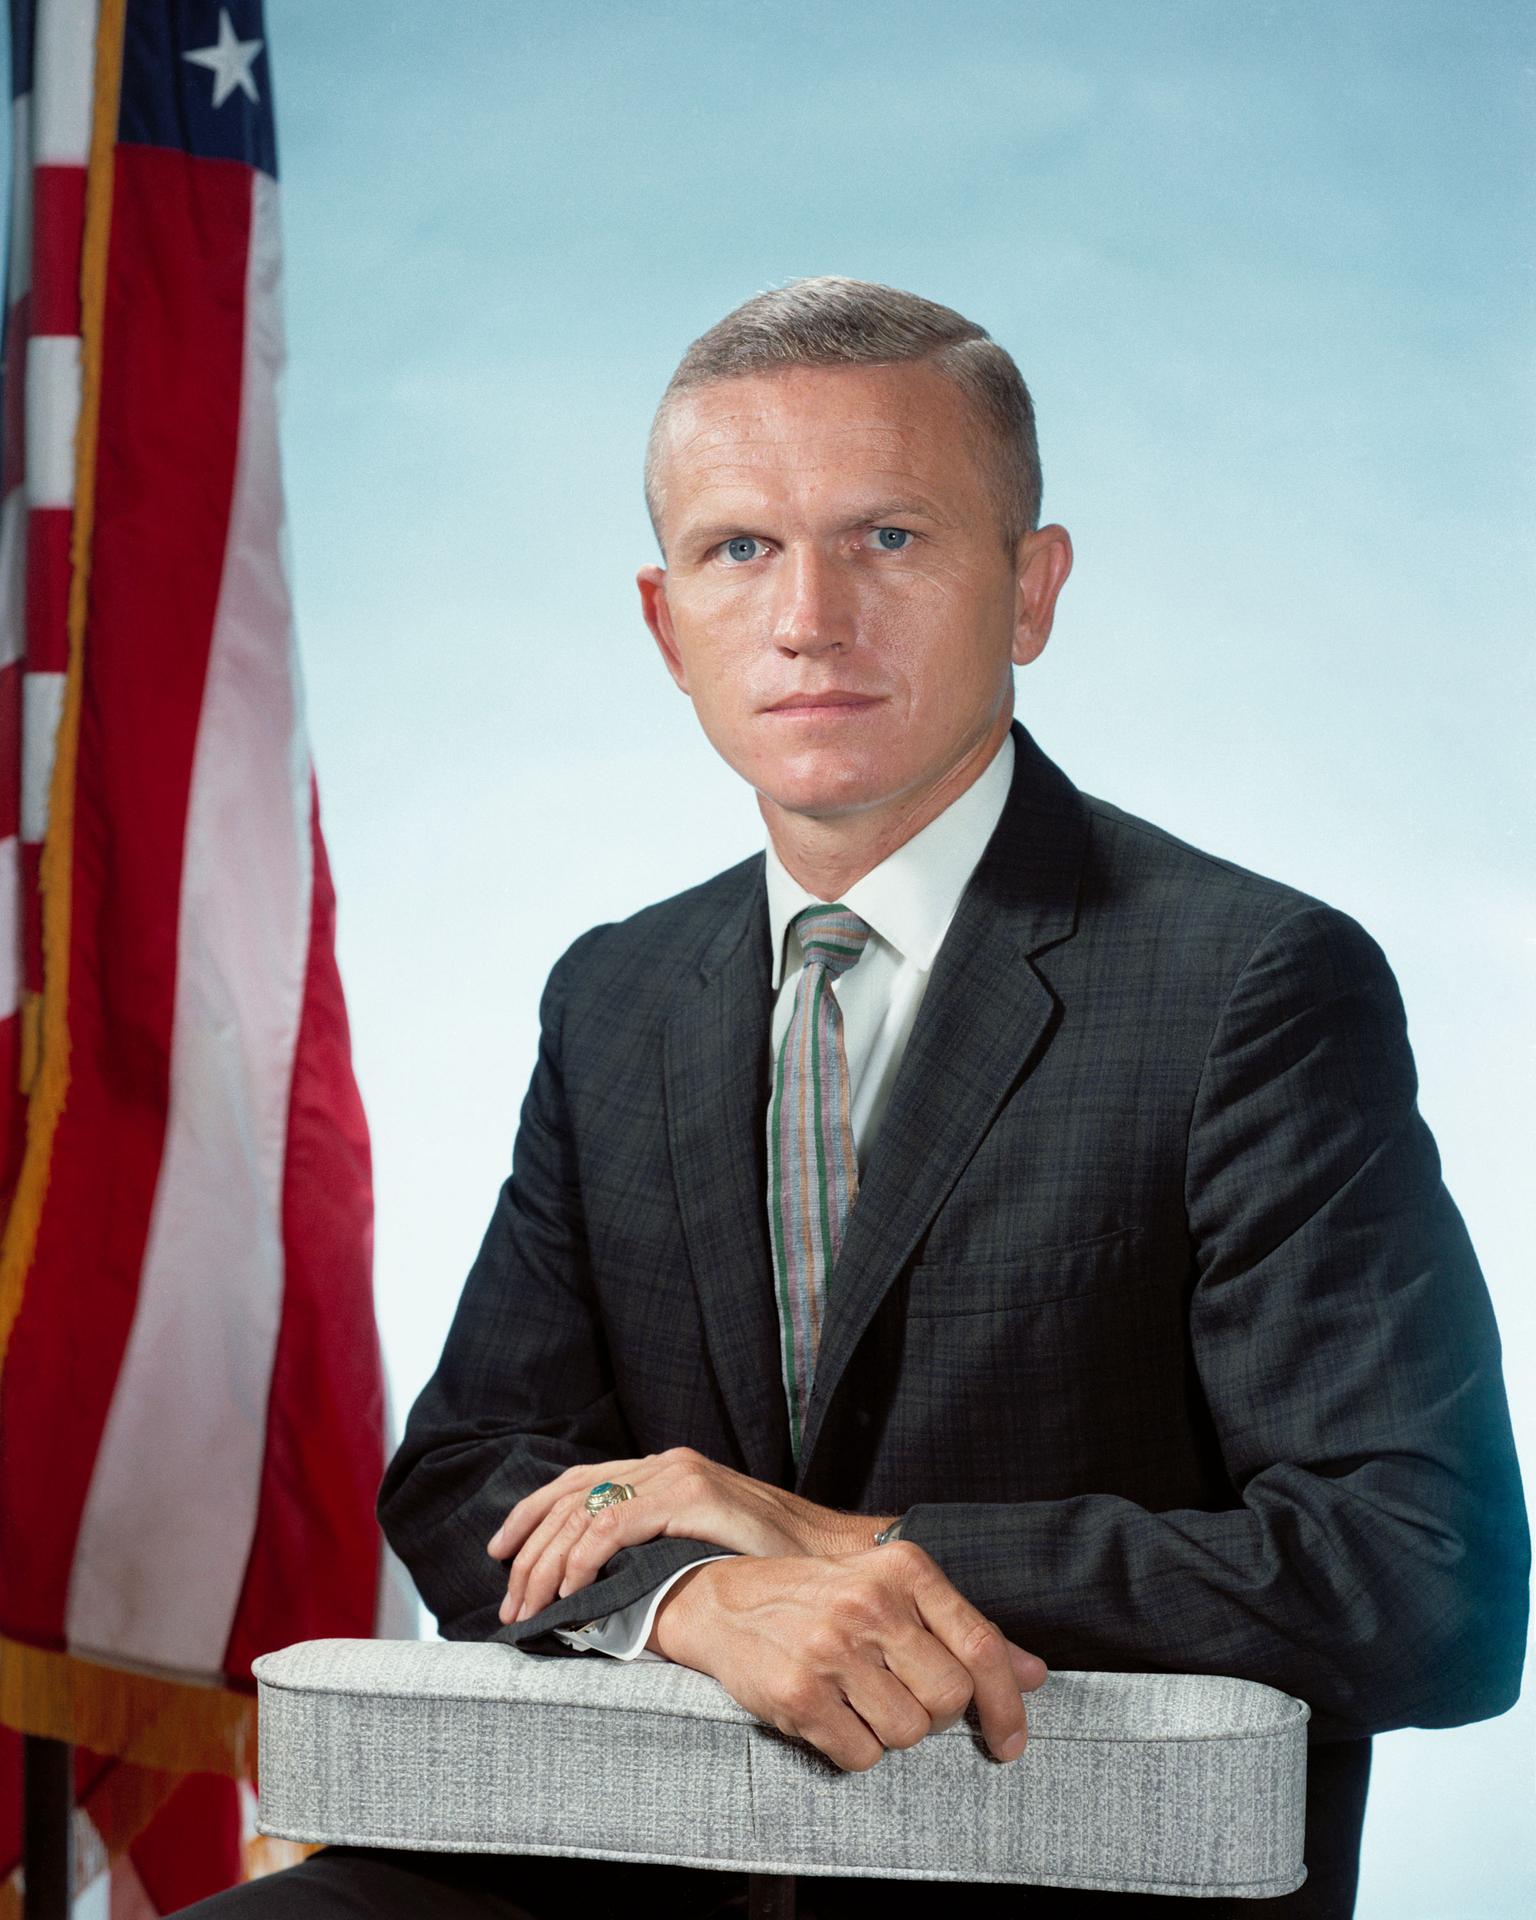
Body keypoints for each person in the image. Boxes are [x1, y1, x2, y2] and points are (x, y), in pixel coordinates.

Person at [176, 277, 1528, 1918]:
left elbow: (1424, 1582)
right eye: (740, 548)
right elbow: (466, 1473)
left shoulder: (1254, 983)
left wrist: (833, 1541)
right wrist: (685, 1599)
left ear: (1031, 591)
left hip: (1045, 1870)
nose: (808, 614)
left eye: (888, 537)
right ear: (666, 622)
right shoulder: (614, 992)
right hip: (618, 1862)